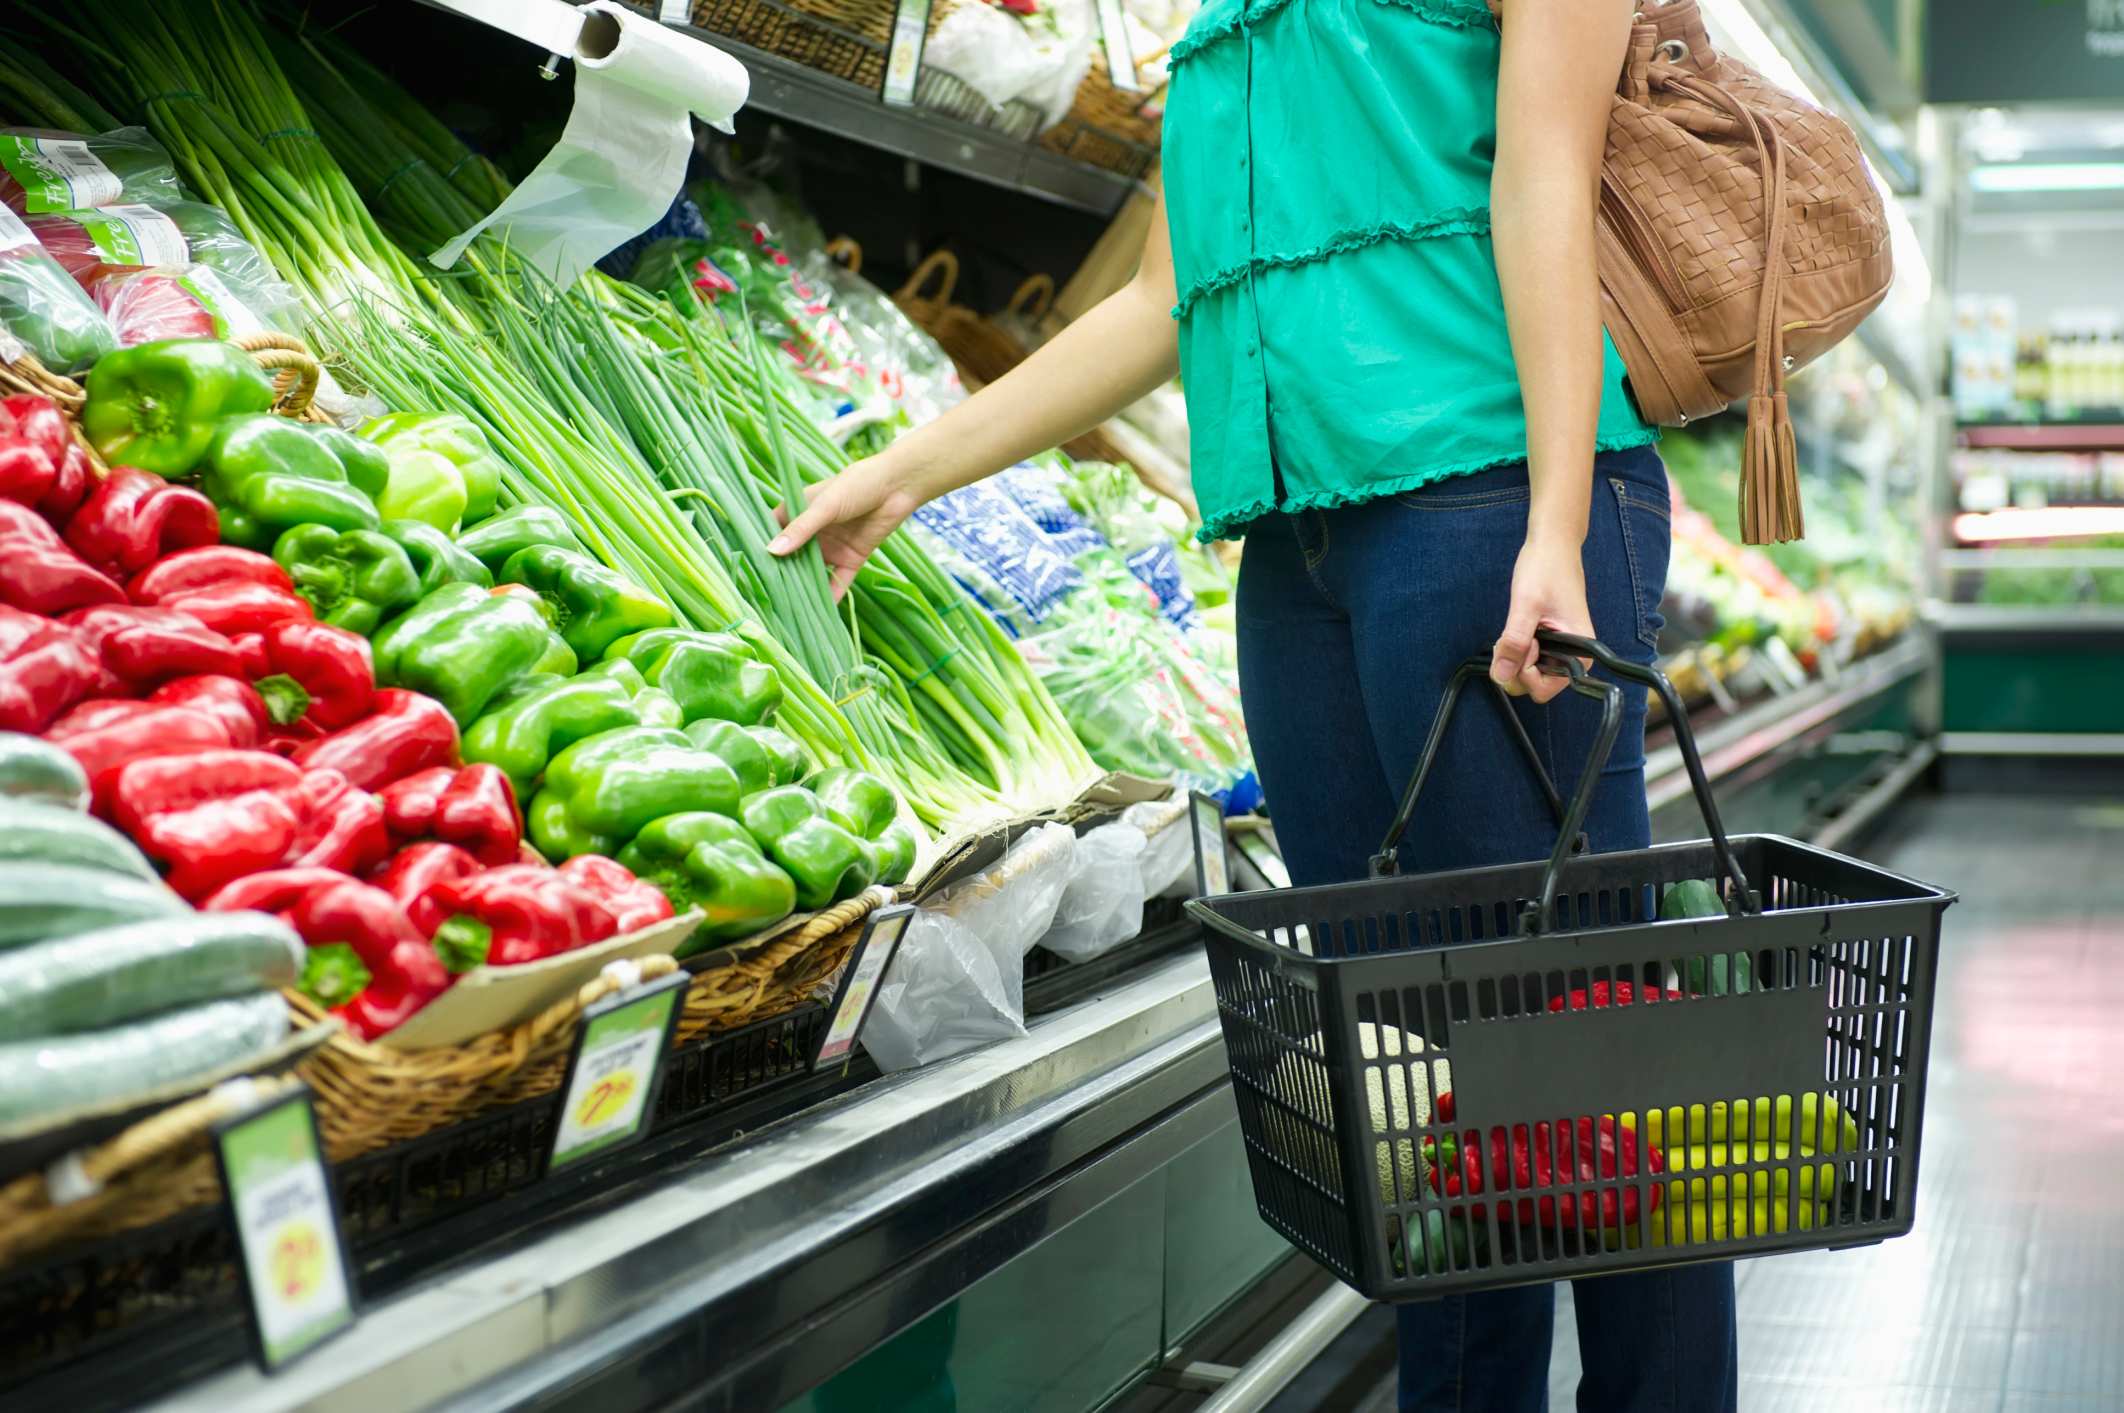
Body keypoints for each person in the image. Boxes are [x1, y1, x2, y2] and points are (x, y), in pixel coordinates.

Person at [769, 0, 1739, 1406]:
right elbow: (1174, 299)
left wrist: (1555, 523)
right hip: (1301, 549)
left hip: (1483, 505)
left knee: (1575, 1056)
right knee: (1416, 1078)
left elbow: (1545, 185)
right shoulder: (1220, 15)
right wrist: (910, 469)